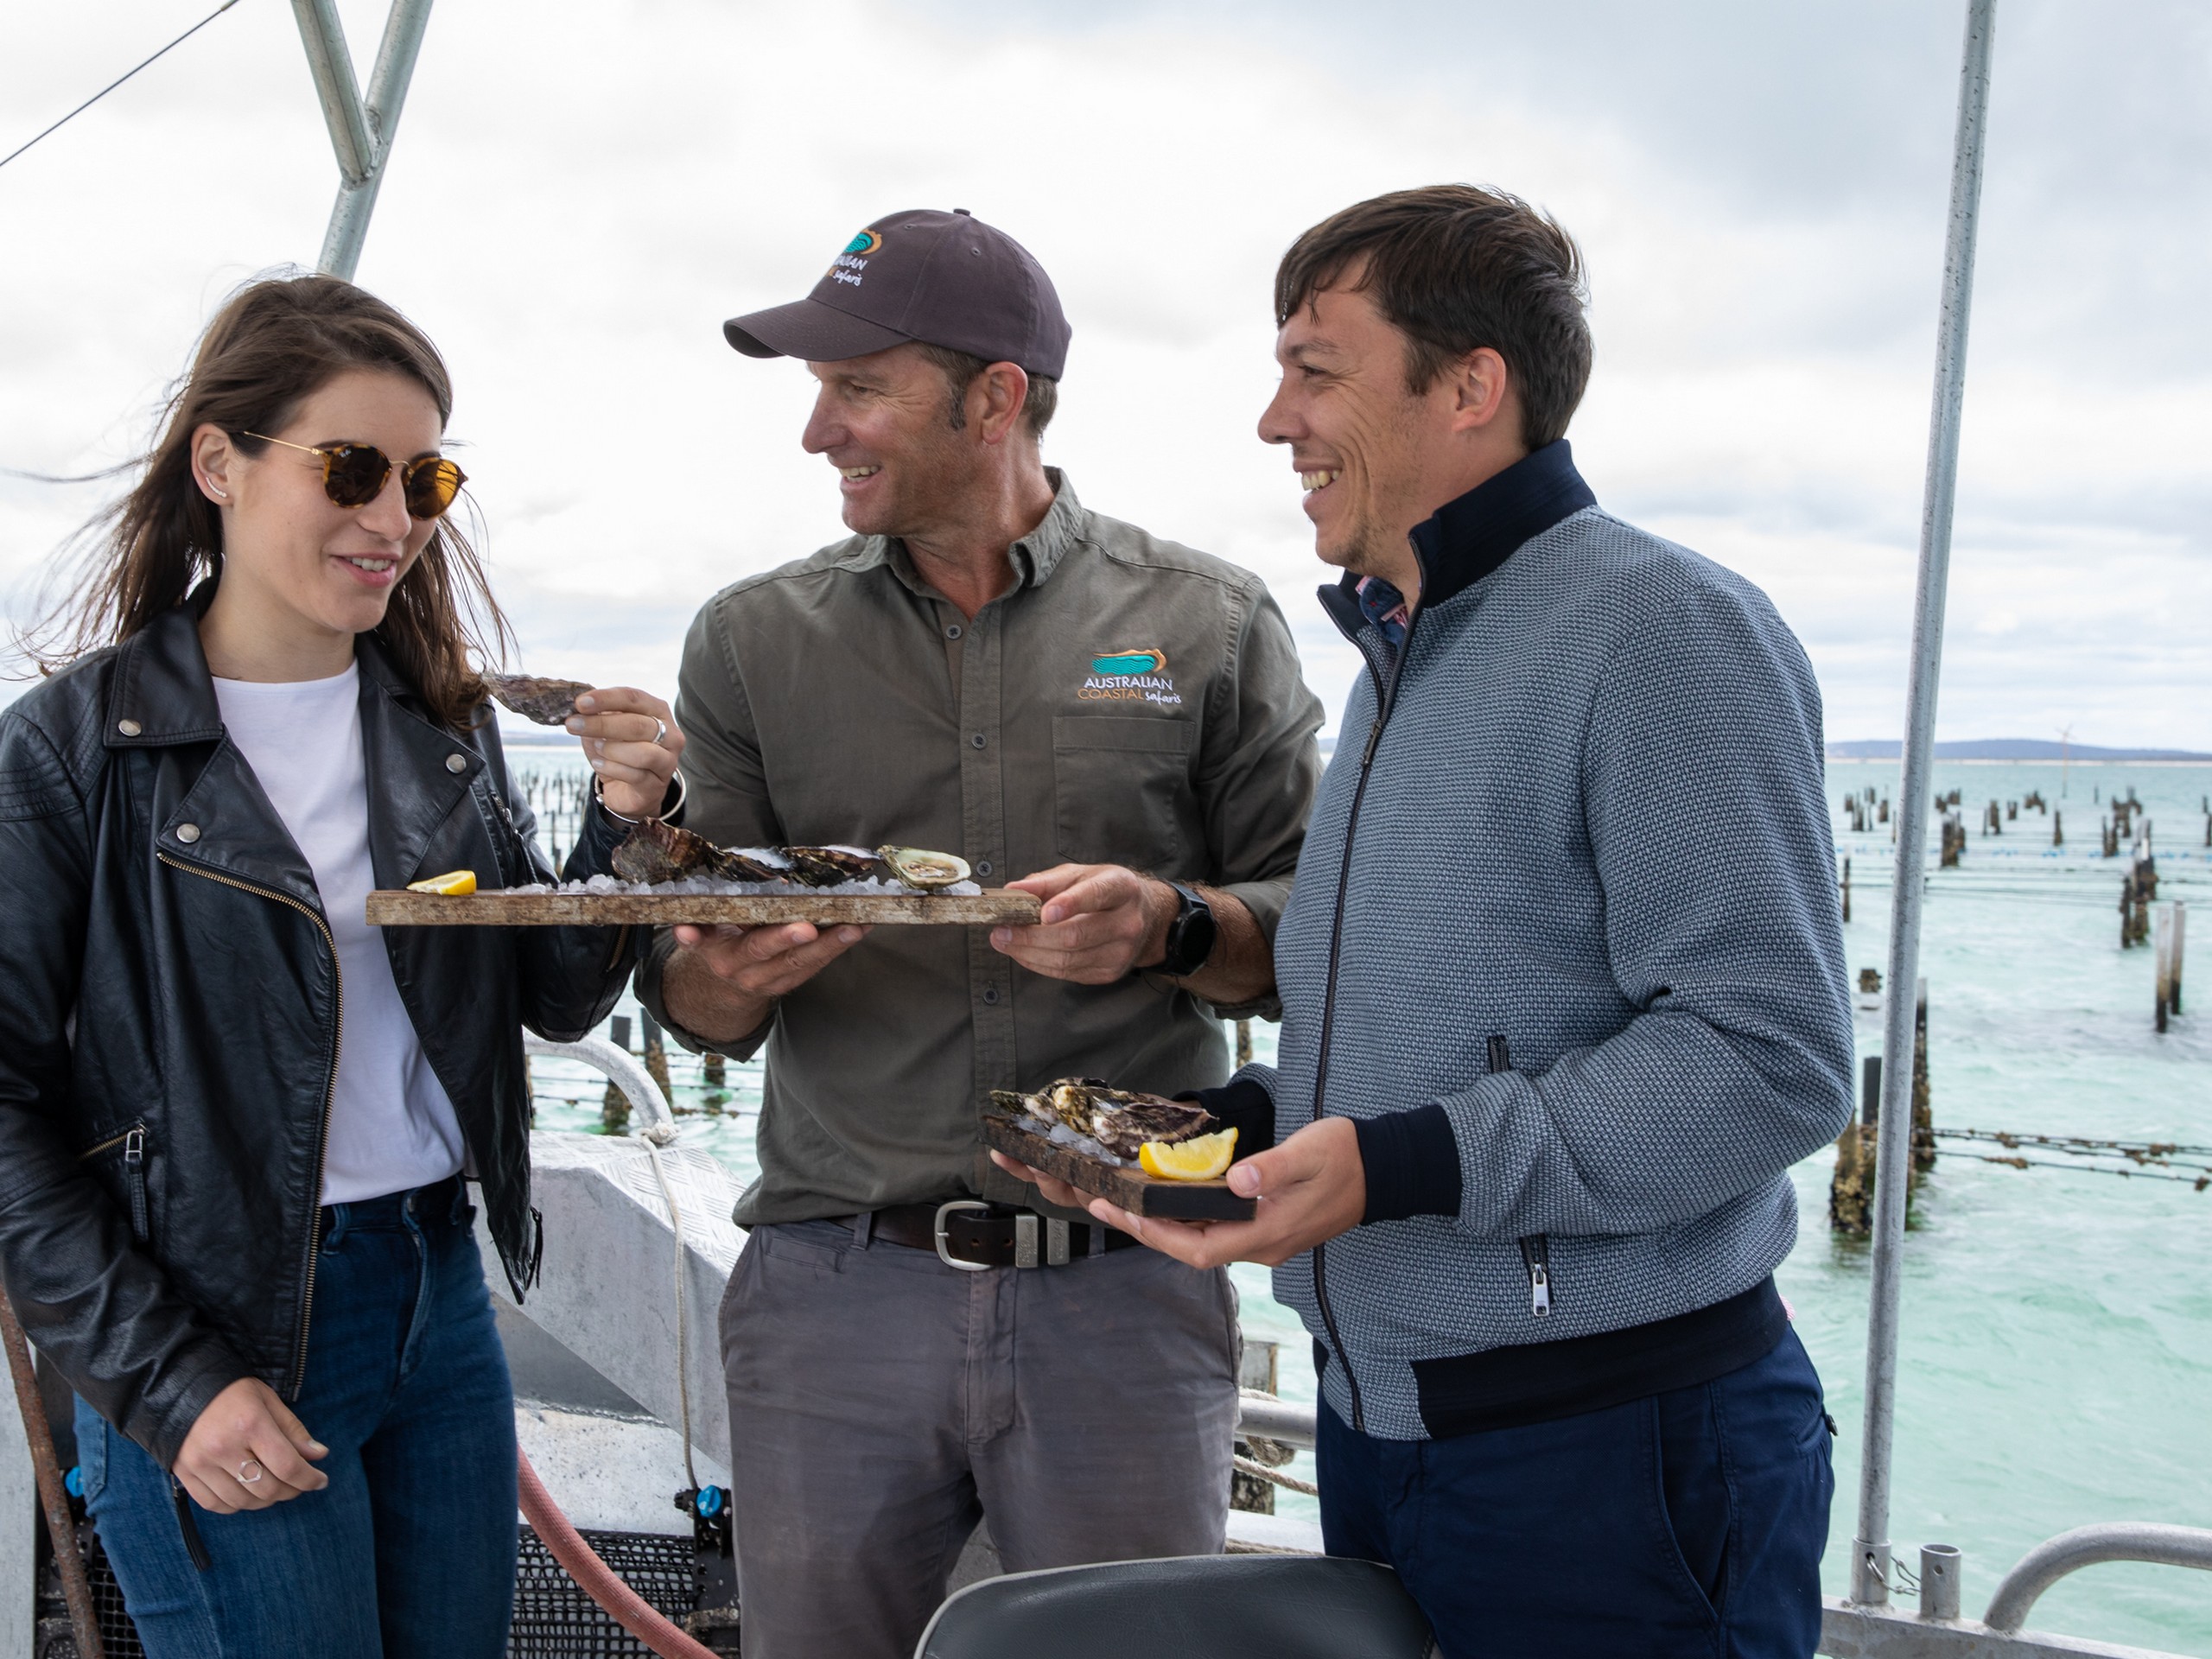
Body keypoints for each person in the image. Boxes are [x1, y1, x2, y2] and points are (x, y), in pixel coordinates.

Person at [995, 184, 1855, 1657]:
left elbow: (1770, 1060)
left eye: (1315, 369)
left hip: (1604, 1447)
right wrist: (1258, 1128)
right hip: (1391, 1429)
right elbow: (1445, 1022)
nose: (1276, 422)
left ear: (1473, 388)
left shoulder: (1662, 629)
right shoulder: (1397, 656)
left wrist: (1397, 1163)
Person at [637, 207, 1323, 1659]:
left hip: (1126, 1284)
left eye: (857, 387)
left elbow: (1320, 936)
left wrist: (1172, 925)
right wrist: (715, 978)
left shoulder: (1208, 622)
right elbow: (695, 997)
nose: (819, 431)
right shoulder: (751, 641)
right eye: (818, 391)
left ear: (995, 398)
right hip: (835, 1295)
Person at [0, 274, 685, 1658]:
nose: (396, 520)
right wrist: (172, 1384)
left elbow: (549, 1003)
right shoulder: (73, 755)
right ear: (221, 465)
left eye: (425, 477)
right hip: (217, 1319)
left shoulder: (440, 729)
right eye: (353, 470)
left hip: (438, 1300)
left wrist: (626, 830)